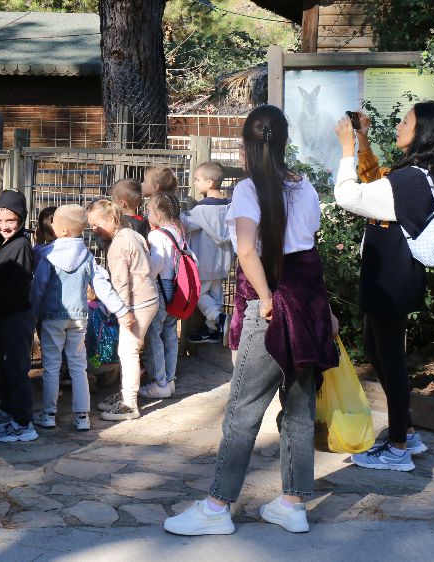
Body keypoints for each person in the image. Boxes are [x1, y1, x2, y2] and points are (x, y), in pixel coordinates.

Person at [165, 104, 339, 536]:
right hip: (308, 305)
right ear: (283, 142)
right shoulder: (305, 186)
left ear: (245, 145)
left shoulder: (248, 191)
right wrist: (326, 309)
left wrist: (263, 300)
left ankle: (216, 508)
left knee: (243, 409)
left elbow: (246, 251)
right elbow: (310, 253)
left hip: (271, 306)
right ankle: (293, 504)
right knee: (298, 408)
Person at [333, 102, 434, 471]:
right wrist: (363, 142)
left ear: (422, 132)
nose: (398, 126)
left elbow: (349, 197)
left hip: (392, 276)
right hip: (392, 272)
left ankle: (398, 447)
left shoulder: (410, 179)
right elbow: (375, 187)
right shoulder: (418, 174)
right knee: (377, 348)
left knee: (391, 358)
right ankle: (407, 432)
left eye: (405, 121)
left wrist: (348, 151)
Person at [30, 205, 127, 431]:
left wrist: (32, 313)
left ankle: (48, 413)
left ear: (62, 230)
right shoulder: (87, 256)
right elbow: (102, 286)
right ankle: (82, 416)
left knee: (52, 366)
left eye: (53, 222)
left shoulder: (48, 256)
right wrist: (120, 310)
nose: (50, 225)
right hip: (78, 318)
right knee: (78, 366)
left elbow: (38, 288)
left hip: (51, 318)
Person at [0, 189, 39, 443]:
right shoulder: (7, 244)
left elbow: (15, 287)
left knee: (15, 369)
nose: (4, 226)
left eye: (10, 221)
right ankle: (8, 410)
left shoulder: (21, 246)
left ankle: (24, 423)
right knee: (3, 367)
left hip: (15, 317)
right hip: (4, 317)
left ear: (21, 219)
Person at [87, 199, 156, 422]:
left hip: (137, 303)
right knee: (129, 350)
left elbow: (120, 284)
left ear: (110, 219)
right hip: (148, 297)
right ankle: (126, 393)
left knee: (128, 351)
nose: (93, 229)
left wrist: (122, 312)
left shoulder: (118, 245)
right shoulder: (131, 233)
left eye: (96, 224)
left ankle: (129, 403)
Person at [139, 193, 185, 399]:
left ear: (157, 214)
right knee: (170, 334)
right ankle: (170, 379)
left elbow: (156, 264)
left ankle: (160, 382)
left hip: (160, 286)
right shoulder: (178, 231)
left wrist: (144, 271)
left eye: (148, 210)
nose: (147, 214)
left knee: (153, 335)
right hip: (175, 287)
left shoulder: (156, 235)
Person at [182, 161, 233, 344]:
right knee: (216, 295)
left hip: (203, 263)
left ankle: (220, 320)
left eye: (197, 179)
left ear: (210, 182)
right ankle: (213, 332)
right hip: (223, 262)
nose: (194, 183)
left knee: (198, 295)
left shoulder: (200, 211)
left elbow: (185, 226)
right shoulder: (230, 207)